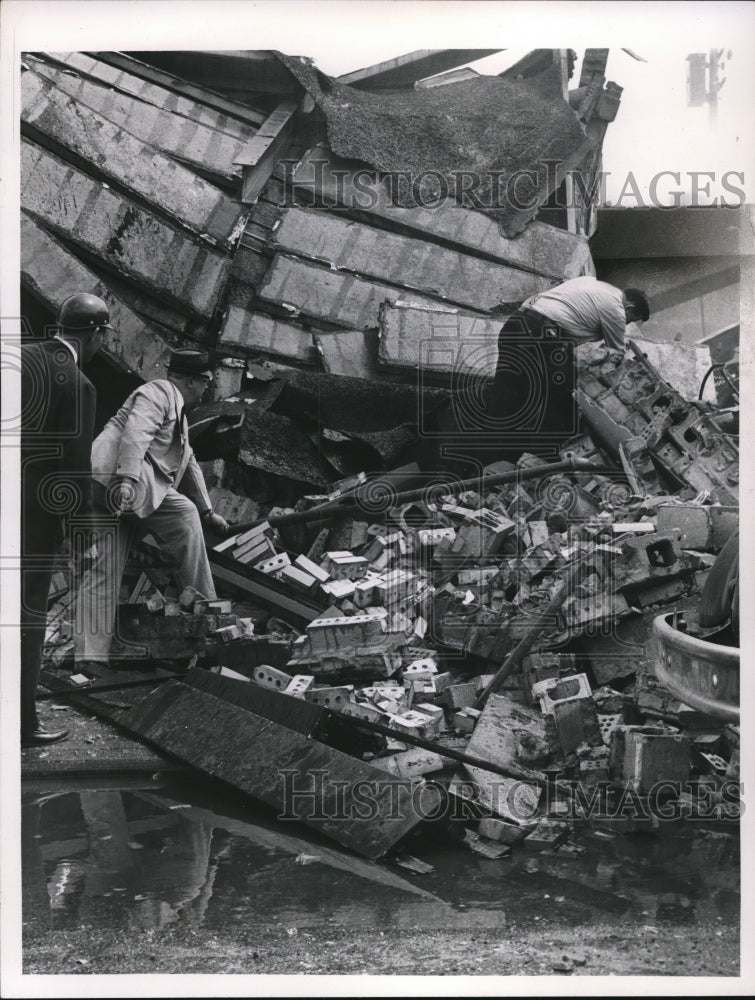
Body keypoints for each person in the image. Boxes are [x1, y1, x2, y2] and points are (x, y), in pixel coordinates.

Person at [75, 349, 228, 668]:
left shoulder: (179, 413)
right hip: (120, 484)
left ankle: (89, 658)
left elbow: (190, 463)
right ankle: (213, 616)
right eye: (205, 383)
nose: (206, 391)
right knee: (183, 514)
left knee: (105, 568)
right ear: (191, 380)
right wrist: (128, 480)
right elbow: (135, 435)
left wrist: (208, 510)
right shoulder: (158, 392)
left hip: (117, 488)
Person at [20, 292, 110, 746]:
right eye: (103, 338)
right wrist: (84, 539)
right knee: (27, 614)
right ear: (94, 334)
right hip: (30, 518)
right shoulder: (78, 384)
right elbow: (73, 472)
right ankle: (21, 724)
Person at [485, 277, 649, 459]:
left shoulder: (590, 283)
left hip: (516, 326)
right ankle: (546, 463)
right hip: (542, 335)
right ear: (630, 308)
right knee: (562, 399)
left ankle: (493, 460)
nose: (624, 325)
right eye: (629, 321)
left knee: (506, 398)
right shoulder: (616, 310)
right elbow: (618, 356)